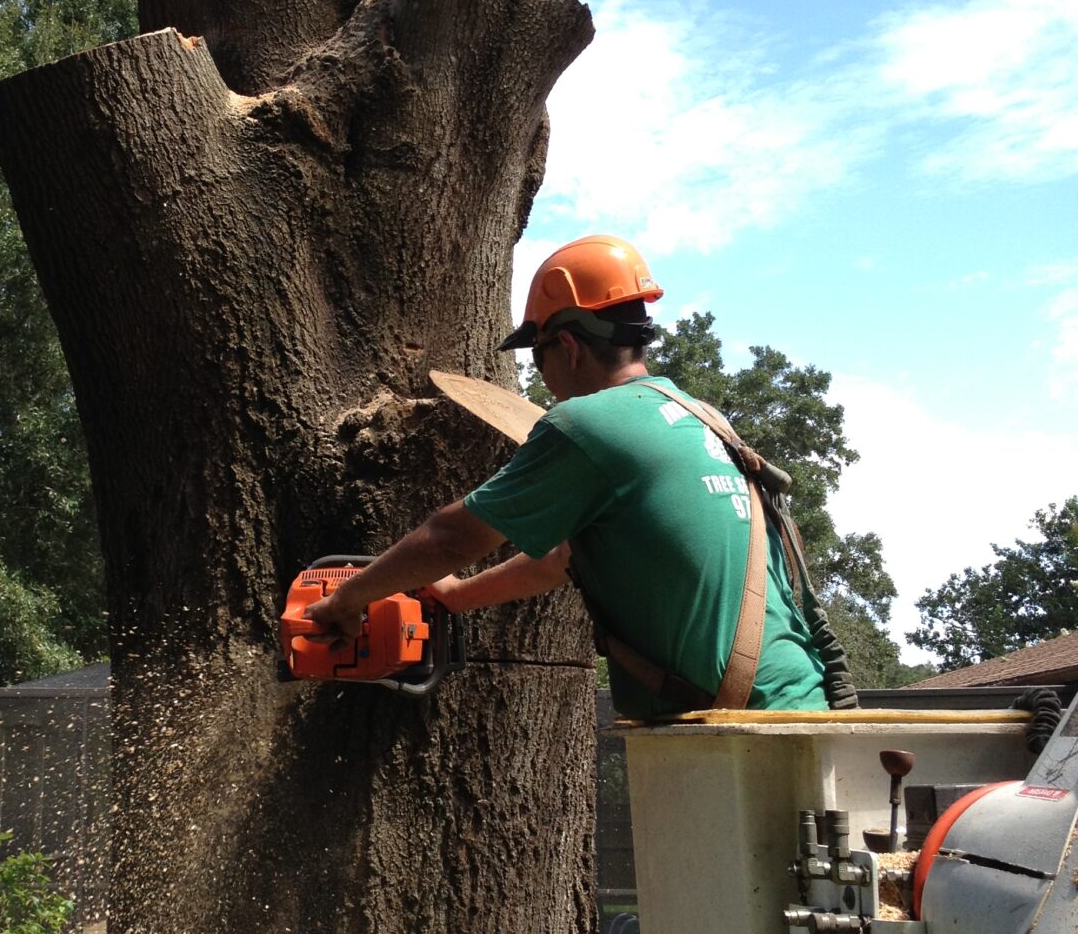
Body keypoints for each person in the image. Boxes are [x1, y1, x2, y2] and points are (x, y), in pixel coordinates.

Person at [304, 234, 832, 718]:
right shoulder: (700, 419)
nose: (540, 373)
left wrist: (344, 602)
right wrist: (458, 597)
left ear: (569, 346)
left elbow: (453, 536)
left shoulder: (589, 423)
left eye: (538, 354)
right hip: (804, 702)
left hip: (733, 727)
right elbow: (564, 560)